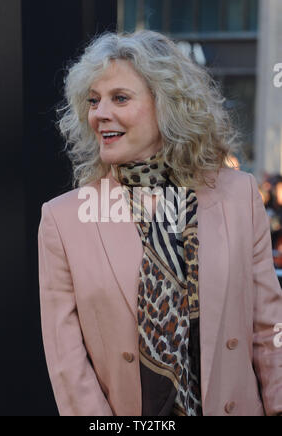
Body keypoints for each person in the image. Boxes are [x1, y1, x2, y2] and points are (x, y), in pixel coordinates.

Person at [38, 30, 282, 416]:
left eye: (120, 98)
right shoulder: (63, 219)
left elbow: (270, 328)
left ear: (168, 105)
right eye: (94, 101)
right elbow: (68, 364)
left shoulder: (239, 196)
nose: (100, 113)